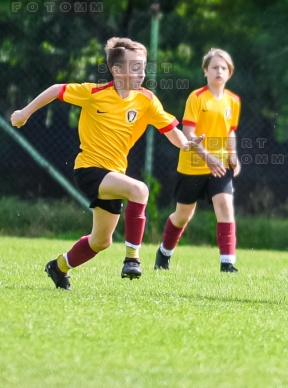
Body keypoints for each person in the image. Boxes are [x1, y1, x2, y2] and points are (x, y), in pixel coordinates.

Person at [10, 37, 195, 290]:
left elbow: (170, 129)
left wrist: (185, 144)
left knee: (100, 241)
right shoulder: (95, 93)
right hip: (89, 170)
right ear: (117, 70)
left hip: (114, 175)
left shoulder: (146, 100)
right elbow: (56, 89)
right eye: (135, 67)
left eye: (143, 67)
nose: (142, 73)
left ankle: (58, 267)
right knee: (139, 189)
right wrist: (24, 113)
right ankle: (132, 258)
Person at [154, 48, 241, 273]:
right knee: (183, 216)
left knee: (225, 206)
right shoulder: (197, 97)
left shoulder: (234, 101)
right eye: (214, 67)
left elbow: (230, 132)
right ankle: (164, 252)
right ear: (205, 71)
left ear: (229, 73)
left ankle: (228, 263)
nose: (219, 71)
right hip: (192, 165)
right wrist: (208, 157)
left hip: (219, 166)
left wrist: (233, 155)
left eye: (224, 68)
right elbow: (188, 134)